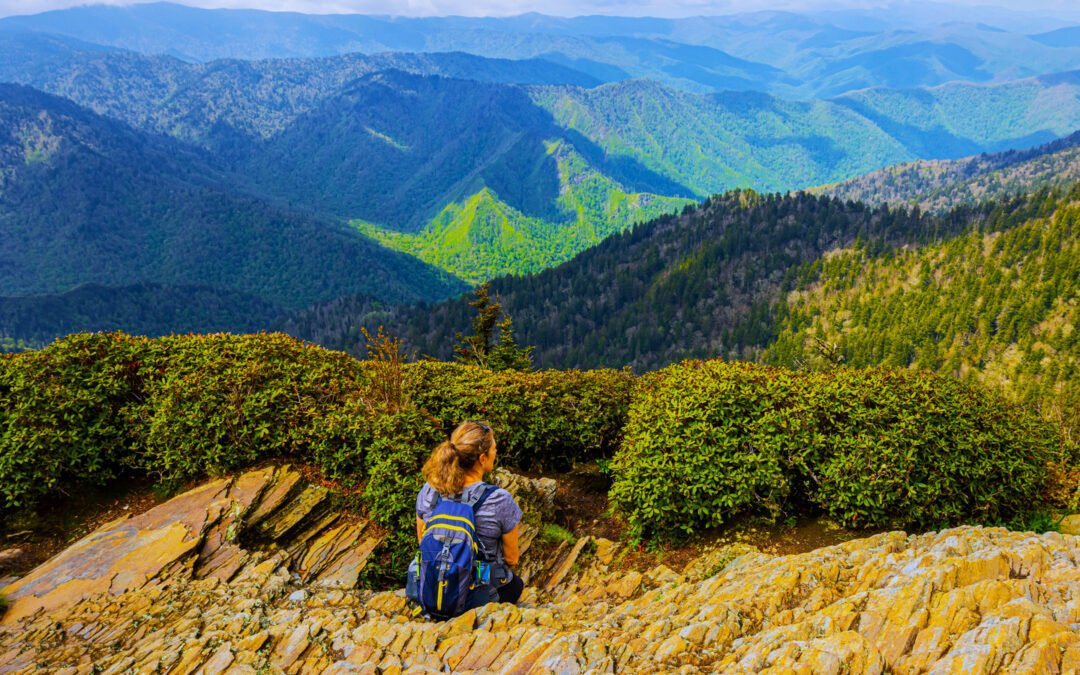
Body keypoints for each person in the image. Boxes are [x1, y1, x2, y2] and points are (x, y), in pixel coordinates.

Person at [414, 420, 524, 607]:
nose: (495, 454)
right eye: (494, 449)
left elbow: (422, 541)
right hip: (479, 591)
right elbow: (511, 558)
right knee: (515, 584)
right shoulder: (499, 499)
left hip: (434, 588)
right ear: (482, 458)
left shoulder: (430, 490)